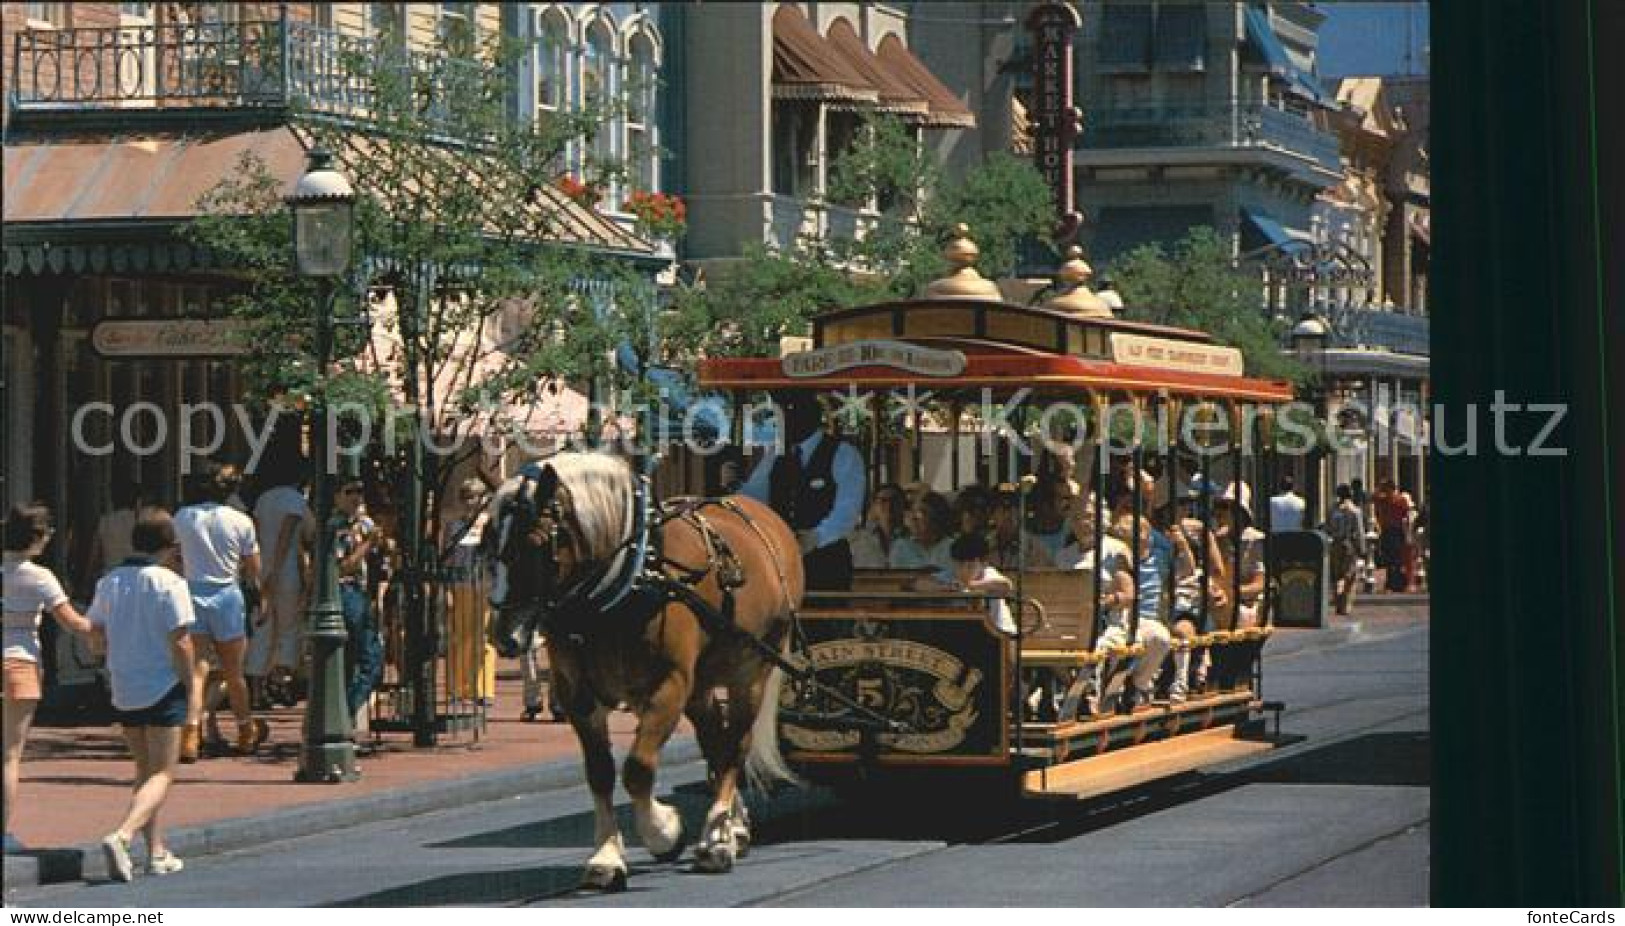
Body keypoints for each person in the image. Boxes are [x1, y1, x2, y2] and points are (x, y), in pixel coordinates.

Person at [86, 509, 196, 881]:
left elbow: (94, 632)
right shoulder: (169, 583)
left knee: (144, 771)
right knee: (164, 772)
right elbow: (181, 642)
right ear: (170, 546)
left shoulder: (110, 582)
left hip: (125, 684)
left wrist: (111, 656)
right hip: (162, 684)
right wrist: (190, 686)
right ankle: (123, 835)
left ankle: (156, 851)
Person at [3, 505, 97, 844]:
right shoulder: (39, 577)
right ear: (37, 536)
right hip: (20, 665)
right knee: (9, 755)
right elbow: (73, 623)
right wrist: (104, 629)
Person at [174, 463, 265, 761]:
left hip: (192, 593)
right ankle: (245, 729)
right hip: (226, 594)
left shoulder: (183, 518)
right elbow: (254, 567)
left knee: (197, 668)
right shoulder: (240, 521)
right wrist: (261, 593)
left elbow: (174, 557)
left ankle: (191, 733)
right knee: (234, 671)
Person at [739, 394, 865, 591]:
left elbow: (847, 510)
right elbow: (753, 497)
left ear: (809, 416)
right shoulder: (775, 455)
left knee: (822, 618)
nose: (779, 423)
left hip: (826, 563)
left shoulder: (843, 454)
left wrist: (815, 538)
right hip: (781, 563)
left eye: (786, 414)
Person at [247, 458, 311, 709]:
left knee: (263, 627)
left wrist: (264, 568)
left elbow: (258, 531)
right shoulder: (294, 499)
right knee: (288, 626)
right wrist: (277, 566)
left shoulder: (263, 499)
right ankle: (281, 682)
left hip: (262, 565)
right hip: (285, 571)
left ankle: (256, 689)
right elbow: (289, 533)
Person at [333, 479, 384, 721]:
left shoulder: (363, 524)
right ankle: (346, 711)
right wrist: (368, 544)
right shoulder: (337, 527)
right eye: (349, 491)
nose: (356, 497)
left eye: (359, 492)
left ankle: (347, 711)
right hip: (346, 592)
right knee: (368, 659)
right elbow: (343, 567)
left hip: (361, 593)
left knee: (362, 659)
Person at [445, 479, 496, 707]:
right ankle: (458, 688)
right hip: (460, 585)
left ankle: (483, 688)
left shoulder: (489, 525)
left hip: (484, 584)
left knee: (483, 637)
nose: (469, 502)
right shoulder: (454, 526)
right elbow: (447, 557)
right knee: (460, 637)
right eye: (465, 497)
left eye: (474, 496)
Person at [914, 532, 1016, 635]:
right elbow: (919, 584)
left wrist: (969, 585)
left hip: (1000, 634)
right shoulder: (950, 575)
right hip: (964, 633)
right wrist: (946, 587)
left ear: (983, 563)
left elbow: (1006, 586)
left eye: (970, 566)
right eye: (960, 565)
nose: (964, 570)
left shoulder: (989, 573)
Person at [86, 479, 152, 581]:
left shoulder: (105, 522)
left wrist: (87, 579)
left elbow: (94, 557)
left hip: (111, 577)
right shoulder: (145, 523)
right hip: (139, 578)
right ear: (138, 500)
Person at [1324, 484, 1367, 615]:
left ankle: (1337, 596)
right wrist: (1362, 549)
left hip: (1335, 544)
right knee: (1350, 574)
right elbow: (1359, 532)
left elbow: (1327, 528)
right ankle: (1344, 603)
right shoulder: (1354, 511)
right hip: (1349, 545)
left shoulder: (1332, 510)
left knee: (1336, 574)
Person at [988, 484, 1052, 570]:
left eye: (1015, 507)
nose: (1009, 514)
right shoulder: (984, 547)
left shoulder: (1034, 548)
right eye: (1003, 508)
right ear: (992, 513)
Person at [888, 491, 955, 572]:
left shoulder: (952, 546)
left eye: (921, 513)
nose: (913, 518)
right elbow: (896, 579)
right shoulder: (900, 547)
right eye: (912, 512)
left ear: (936, 517)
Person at [848, 483, 908, 569]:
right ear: (874, 505)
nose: (889, 505)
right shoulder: (858, 540)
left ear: (903, 504)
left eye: (894, 500)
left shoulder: (912, 538)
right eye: (883, 500)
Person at [1372, 478, 1412, 593]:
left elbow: (1406, 517)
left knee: (1396, 559)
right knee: (1389, 559)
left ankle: (1396, 583)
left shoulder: (1400, 500)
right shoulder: (1384, 500)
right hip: (1388, 531)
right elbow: (1373, 497)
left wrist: (1407, 532)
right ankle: (1392, 583)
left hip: (1396, 531)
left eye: (1386, 489)